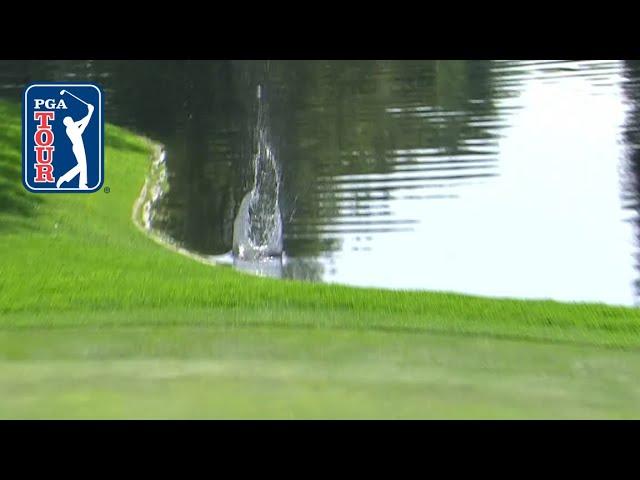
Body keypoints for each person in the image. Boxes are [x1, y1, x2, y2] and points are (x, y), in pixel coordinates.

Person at [56, 103, 94, 189]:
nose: (72, 120)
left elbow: (84, 124)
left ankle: (72, 181)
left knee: (82, 166)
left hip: (80, 146)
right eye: (70, 120)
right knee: (82, 165)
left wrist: (90, 112)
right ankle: (76, 182)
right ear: (67, 123)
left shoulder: (73, 126)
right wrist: (90, 111)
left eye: (71, 119)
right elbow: (83, 123)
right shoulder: (70, 129)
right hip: (77, 147)